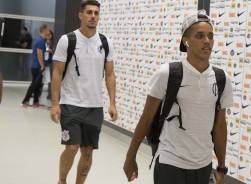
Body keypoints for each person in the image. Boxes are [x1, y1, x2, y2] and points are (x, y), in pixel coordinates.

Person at [123, 10, 234, 184]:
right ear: (186, 41)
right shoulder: (167, 74)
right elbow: (146, 118)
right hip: (170, 162)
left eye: (210, 36)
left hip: (203, 164)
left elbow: (220, 126)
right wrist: (130, 157)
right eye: (199, 36)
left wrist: (221, 167)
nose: (207, 41)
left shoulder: (222, 79)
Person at [50, 1, 118, 184]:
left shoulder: (106, 42)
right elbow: (56, 72)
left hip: (94, 107)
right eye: (89, 12)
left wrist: (112, 102)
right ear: (81, 15)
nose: (93, 16)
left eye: (96, 13)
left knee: (87, 151)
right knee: (72, 147)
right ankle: (62, 180)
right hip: (70, 103)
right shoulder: (68, 40)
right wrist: (55, 103)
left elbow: (110, 74)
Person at [21, 24, 49, 108]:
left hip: (38, 66)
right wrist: (42, 65)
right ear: (44, 30)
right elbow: (39, 54)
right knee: (34, 84)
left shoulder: (42, 40)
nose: (48, 31)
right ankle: (25, 101)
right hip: (37, 66)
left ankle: (36, 101)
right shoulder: (40, 41)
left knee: (38, 84)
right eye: (47, 30)